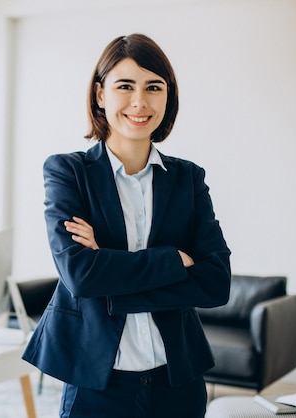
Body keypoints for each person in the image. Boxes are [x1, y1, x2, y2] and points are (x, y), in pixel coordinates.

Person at [21, 34, 231, 418]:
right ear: (100, 94)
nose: (140, 101)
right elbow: (81, 275)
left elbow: (216, 282)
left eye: (154, 87)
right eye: (125, 86)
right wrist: (172, 261)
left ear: (168, 97)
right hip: (97, 383)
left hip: (178, 381)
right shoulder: (68, 172)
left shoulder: (188, 179)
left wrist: (111, 271)